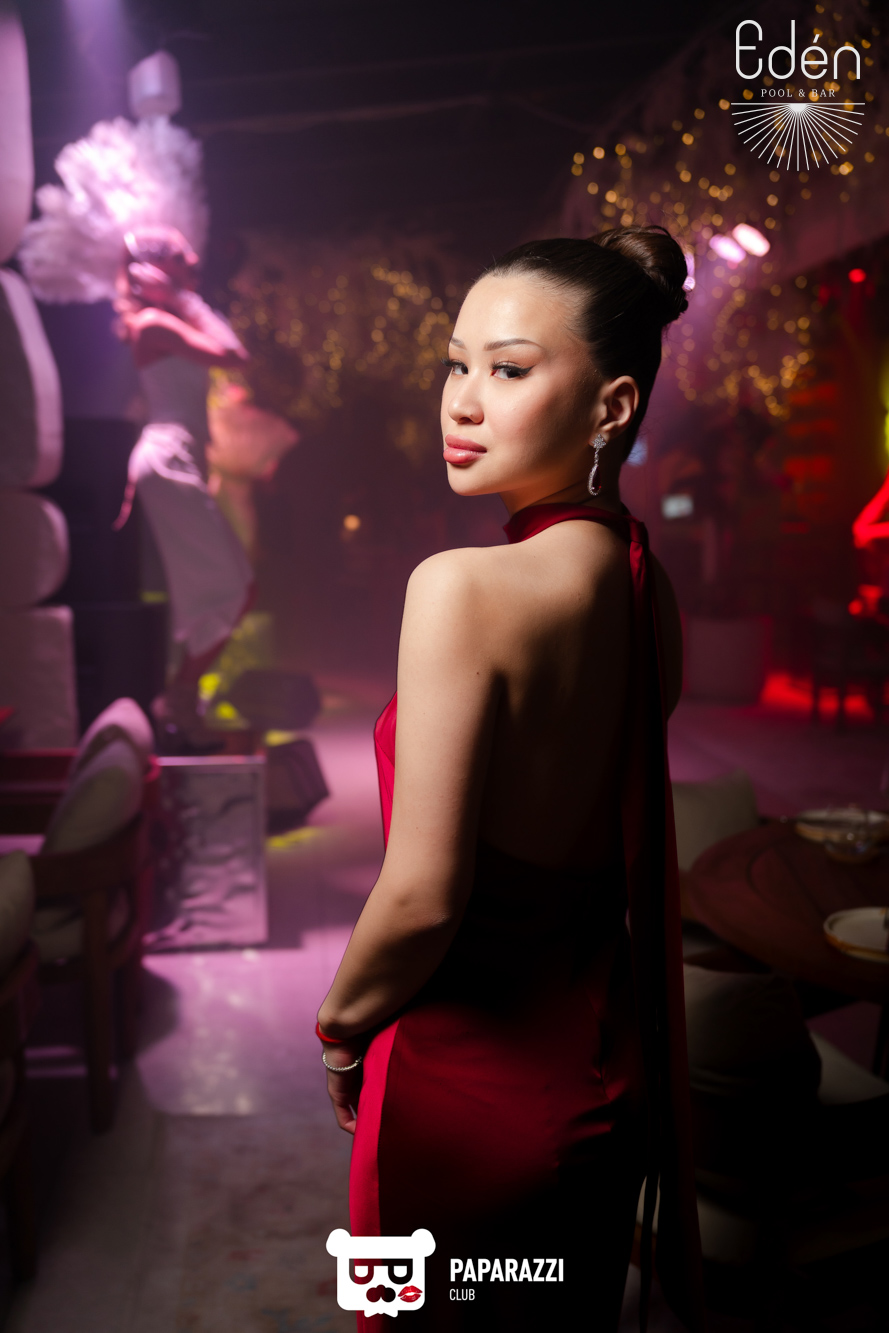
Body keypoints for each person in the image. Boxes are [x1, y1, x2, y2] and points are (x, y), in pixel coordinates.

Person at [317, 226, 704, 1331]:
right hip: (601, 1086)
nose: (464, 401)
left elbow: (421, 895)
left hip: (467, 1100)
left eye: (510, 369)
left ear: (611, 406)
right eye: (457, 364)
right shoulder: (646, 591)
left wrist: (341, 1027)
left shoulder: (460, 589)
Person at [114, 226, 256, 748]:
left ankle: (180, 703)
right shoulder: (154, 322)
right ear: (152, 270)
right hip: (168, 460)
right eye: (179, 255)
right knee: (232, 588)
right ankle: (177, 702)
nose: (193, 258)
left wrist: (180, 297)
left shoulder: (167, 318)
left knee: (238, 588)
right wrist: (181, 299)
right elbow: (234, 353)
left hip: (180, 462)